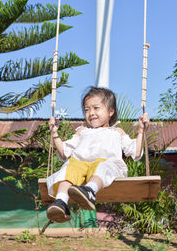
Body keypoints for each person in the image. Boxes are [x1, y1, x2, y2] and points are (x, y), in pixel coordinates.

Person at [46, 86, 149, 223]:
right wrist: (54, 134)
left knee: (102, 164)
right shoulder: (82, 131)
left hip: (106, 167)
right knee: (70, 166)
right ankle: (61, 202)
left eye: (96, 108)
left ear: (110, 111)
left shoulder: (117, 132)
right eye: (87, 109)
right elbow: (65, 153)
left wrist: (141, 131)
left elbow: (135, 153)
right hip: (82, 167)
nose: (91, 113)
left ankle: (90, 190)